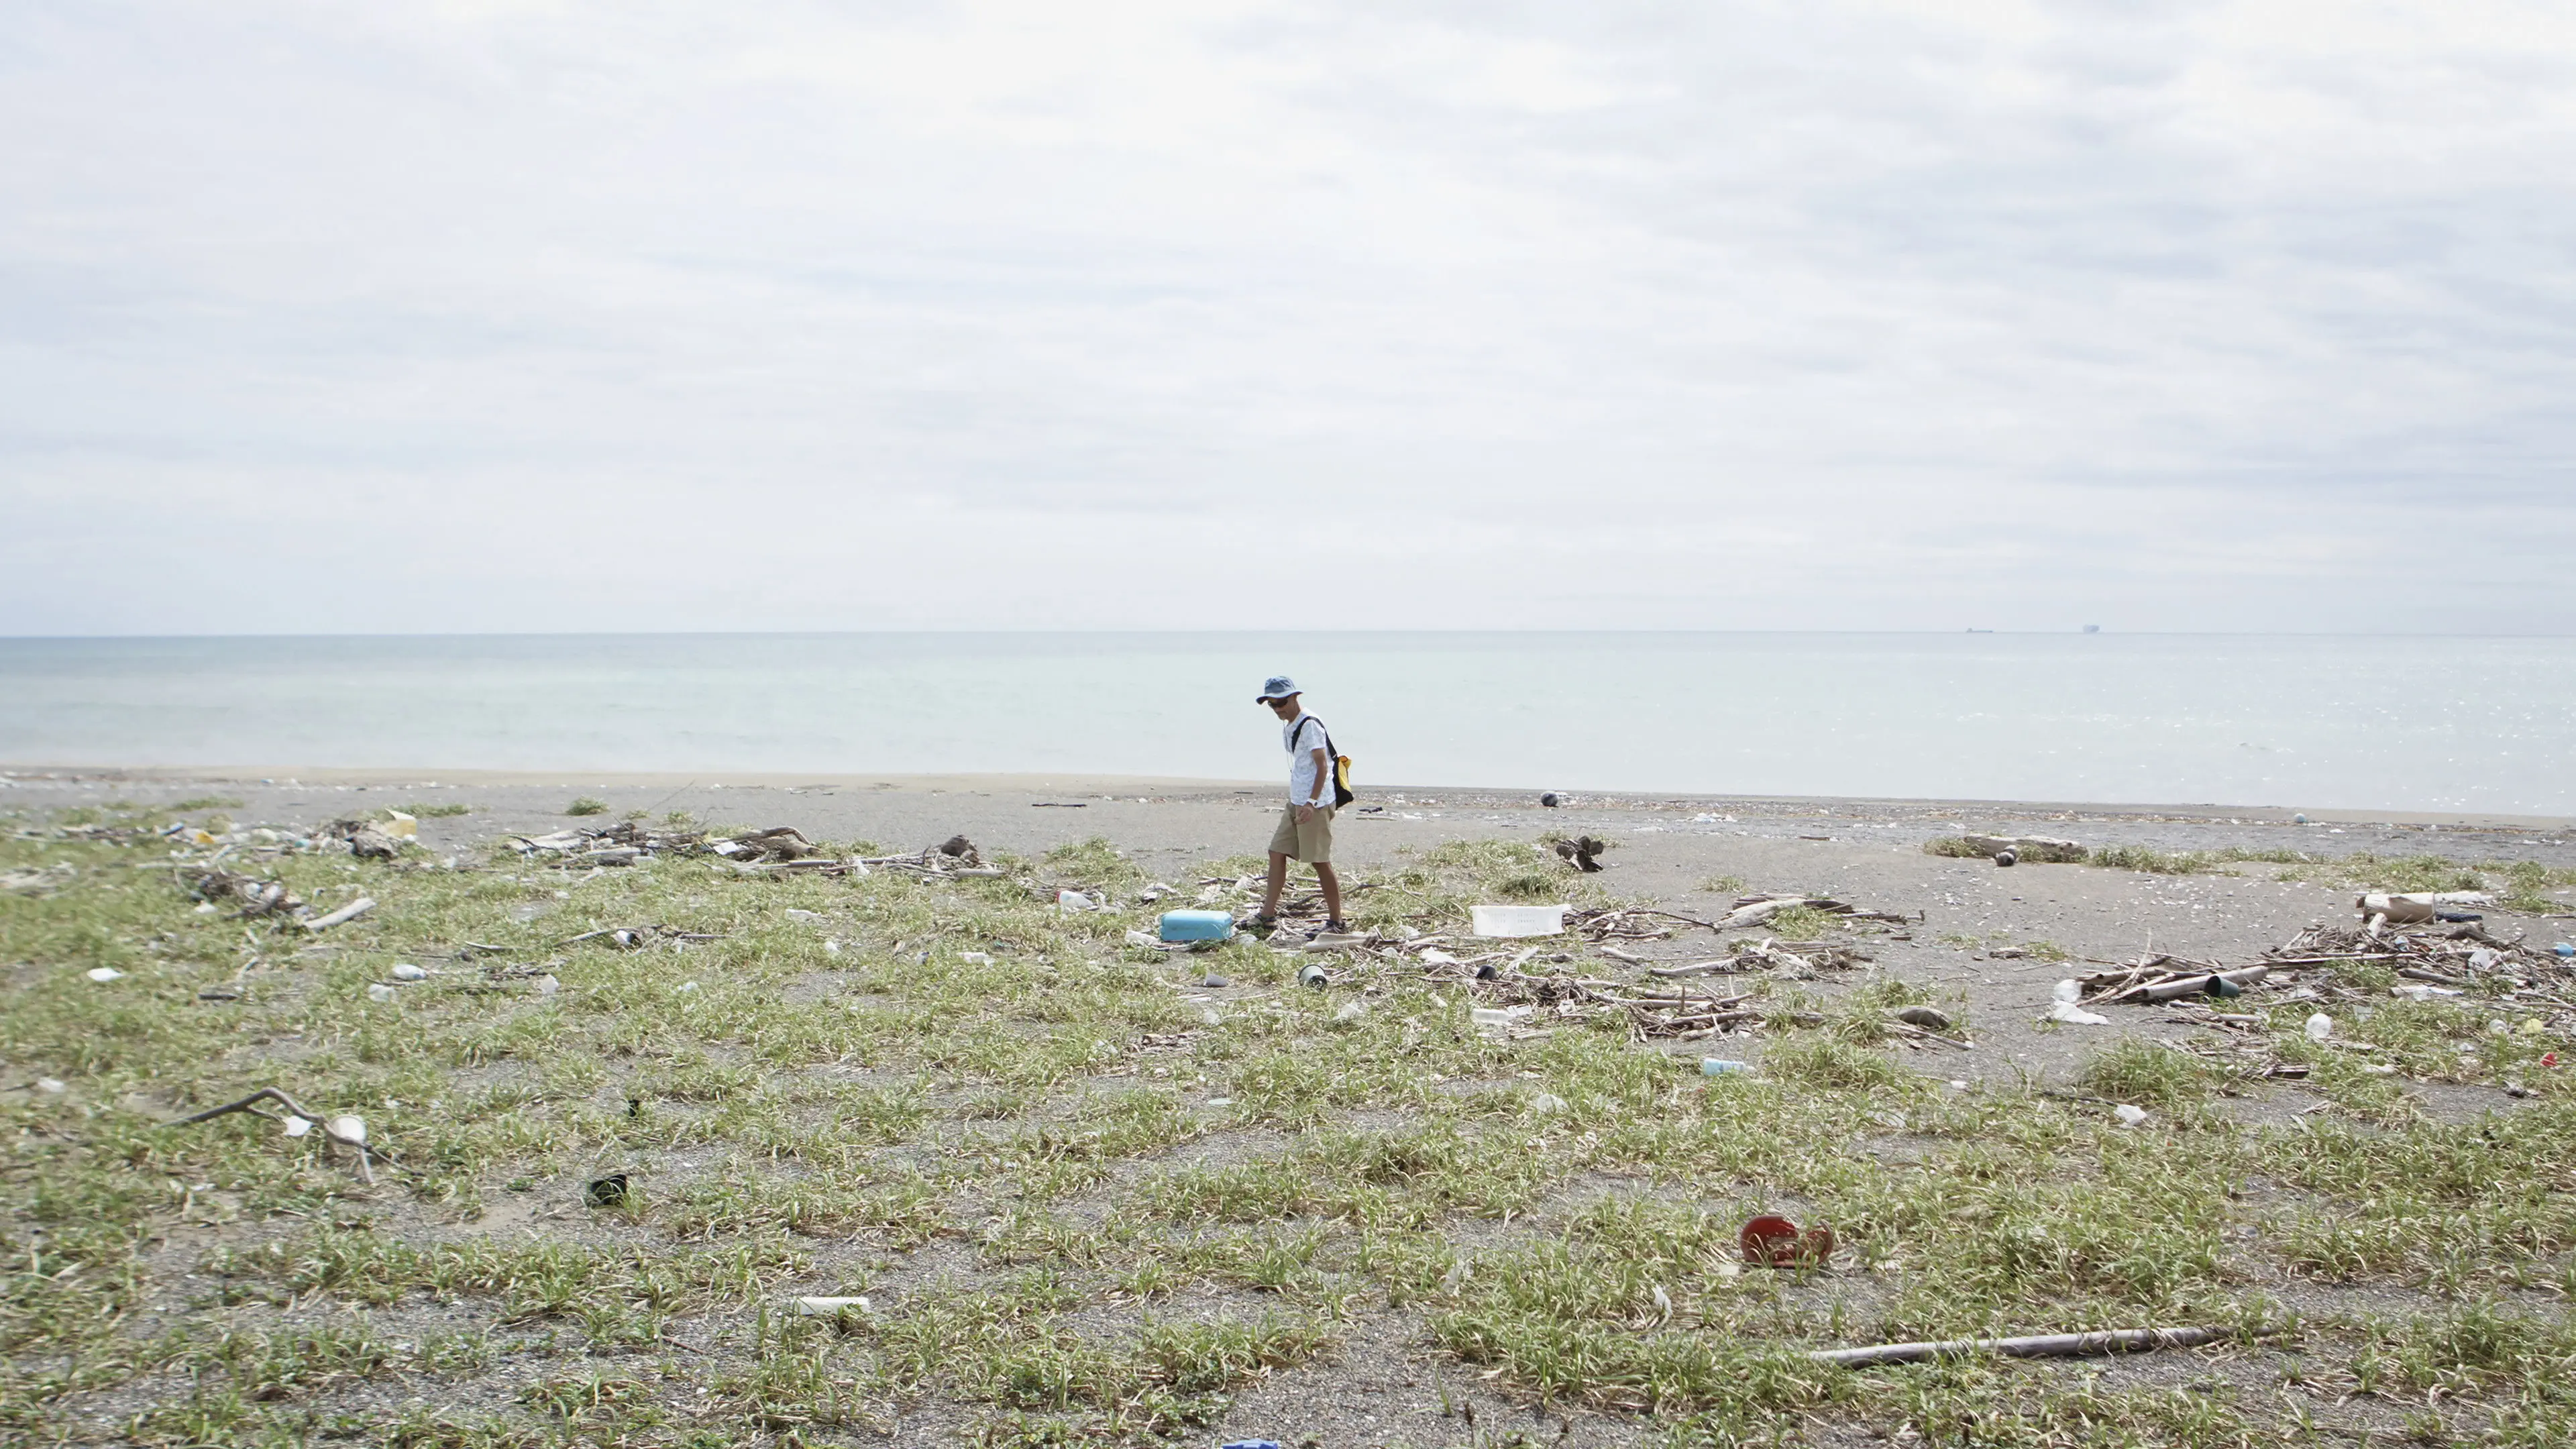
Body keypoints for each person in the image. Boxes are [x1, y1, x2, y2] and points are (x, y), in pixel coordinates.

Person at [1252, 675, 1345, 935]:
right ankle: (1267, 916)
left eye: (1282, 702)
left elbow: (1322, 765)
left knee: (1319, 861)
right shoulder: (1290, 724)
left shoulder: (1310, 724)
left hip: (1313, 803)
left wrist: (1311, 803)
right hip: (1296, 801)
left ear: (1295, 697)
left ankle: (1337, 922)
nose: (1278, 708)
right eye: (1272, 705)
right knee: (1276, 852)